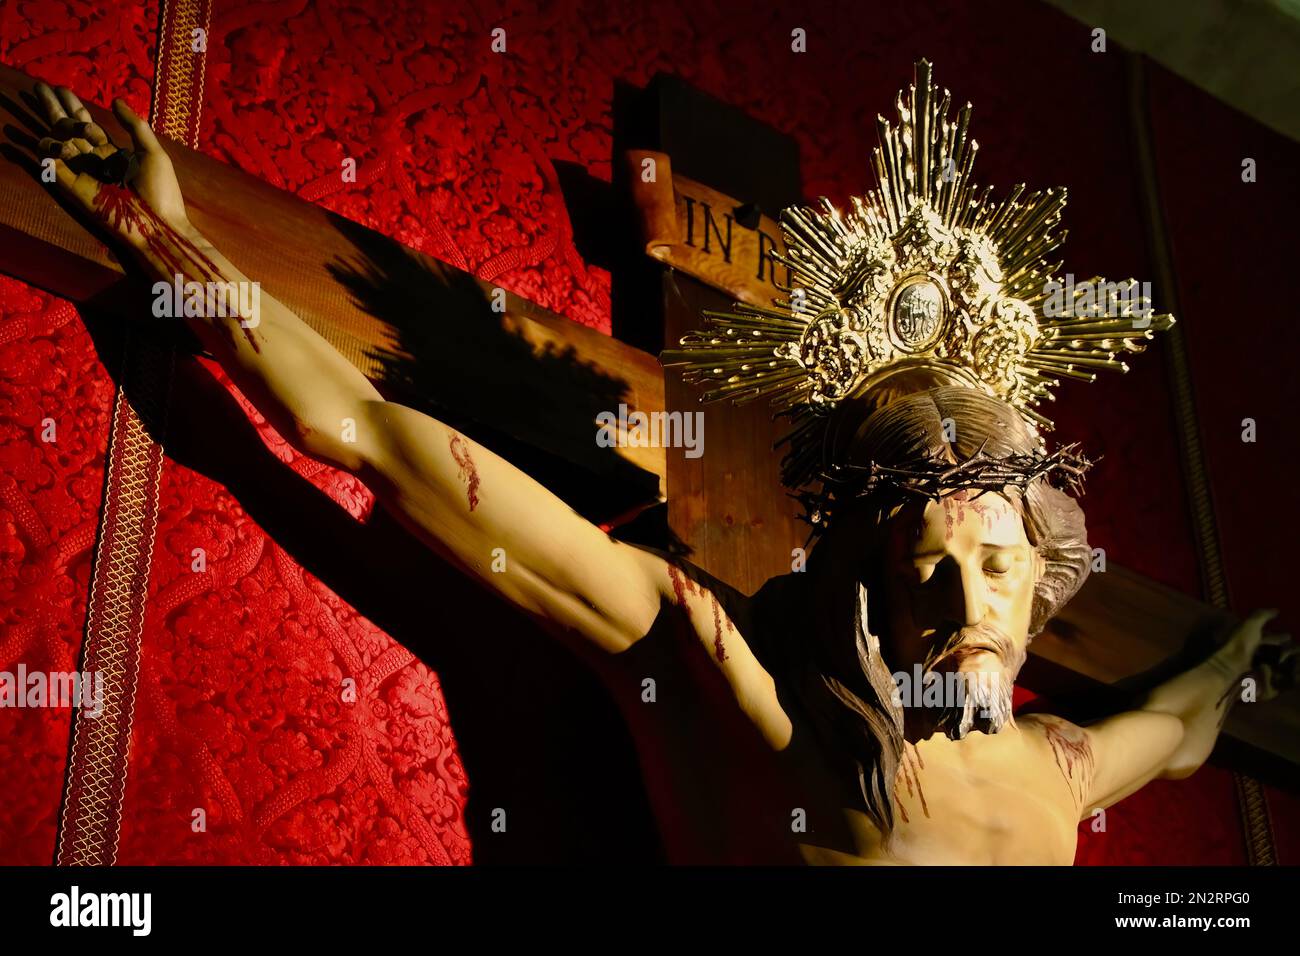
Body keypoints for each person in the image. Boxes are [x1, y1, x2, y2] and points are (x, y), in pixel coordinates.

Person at [25, 69, 1291, 865]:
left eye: (997, 565)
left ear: (1041, 581)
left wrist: (1240, 656)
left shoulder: (1060, 765)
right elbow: (368, 437)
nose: (969, 608)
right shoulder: (738, 687)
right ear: (872, 586)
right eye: (932, 569)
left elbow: (1175, 726)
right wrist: (153, 233)